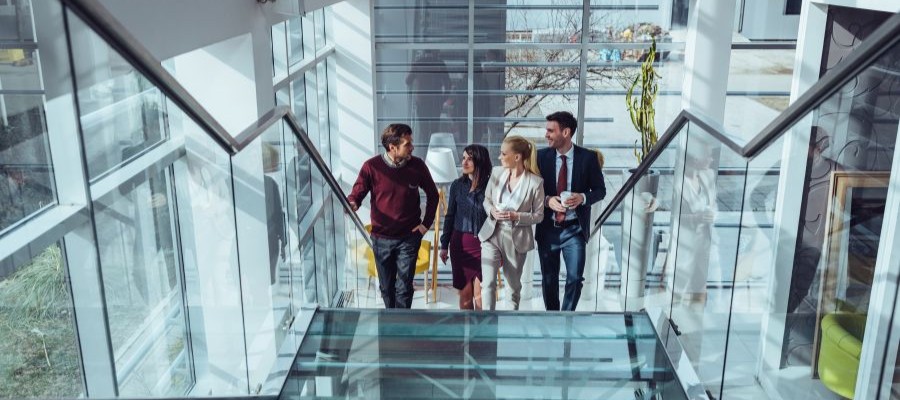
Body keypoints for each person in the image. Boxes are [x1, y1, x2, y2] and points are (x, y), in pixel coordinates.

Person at [348, 124, 439, 309]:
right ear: (392, 147)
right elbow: (356, 194)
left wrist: (425, 226)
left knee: (404, 287)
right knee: (386, 287)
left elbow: (433, 194)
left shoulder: (417, 166)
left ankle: (401, 324)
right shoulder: (371, 167)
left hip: (409, 238)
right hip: (381, 239)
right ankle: (391, 318)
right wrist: (352, 203)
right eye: (407, 144)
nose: (412, 147)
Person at [536, 111, 606, 311]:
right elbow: (530, 192)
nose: (546, 134)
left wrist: (582, 198)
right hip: (548, 228)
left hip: (574, 229)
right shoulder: (540, 157)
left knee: (575, 278)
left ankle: (566, 318)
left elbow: (600, 190)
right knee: (549, 279)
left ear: (566, 132)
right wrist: (548, 200)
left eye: (551, 130)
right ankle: (552, 317)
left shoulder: (588, 158)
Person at [479, 136, 544, 311]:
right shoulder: (496, 172)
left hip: (516, 238)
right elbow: (486, 199)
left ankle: (509, 325)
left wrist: (516, 216)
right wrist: (491, 211)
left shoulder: (535, 183)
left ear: (517, 157)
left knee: (513, 288)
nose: (500, 157)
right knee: (488, 284)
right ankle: (488, 326)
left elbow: (539, 216)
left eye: (503, 154)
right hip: (492, 233)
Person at [439, 144, 492, 310]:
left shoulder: (491, 185)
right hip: (460, 245)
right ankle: (464, 335)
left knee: (481, 298)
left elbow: (498, 220)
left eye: (469, 159)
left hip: (485, 245)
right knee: (465, 297)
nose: (464, 162)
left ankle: (483, 335)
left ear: (480, 161)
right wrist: (444, 245)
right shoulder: (457, 185)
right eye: (463, 158)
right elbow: (450, 216)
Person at [262, 143, 286, 285]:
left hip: (269, 240)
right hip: (269, 240)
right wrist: (283, 242)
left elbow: (278, 214)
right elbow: (278, 214)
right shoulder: (270, 183)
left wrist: (283, 242)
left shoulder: (270, 183)